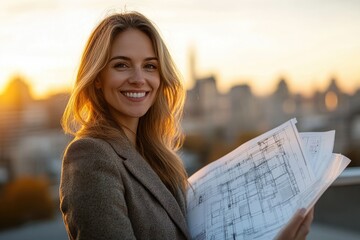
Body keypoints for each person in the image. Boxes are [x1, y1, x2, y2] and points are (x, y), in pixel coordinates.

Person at [59, 11, 314, 240]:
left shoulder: (157, 156)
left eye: (150, 66)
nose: (139, 79)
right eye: (121, 65)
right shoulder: (90, 156)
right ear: (97, 78)